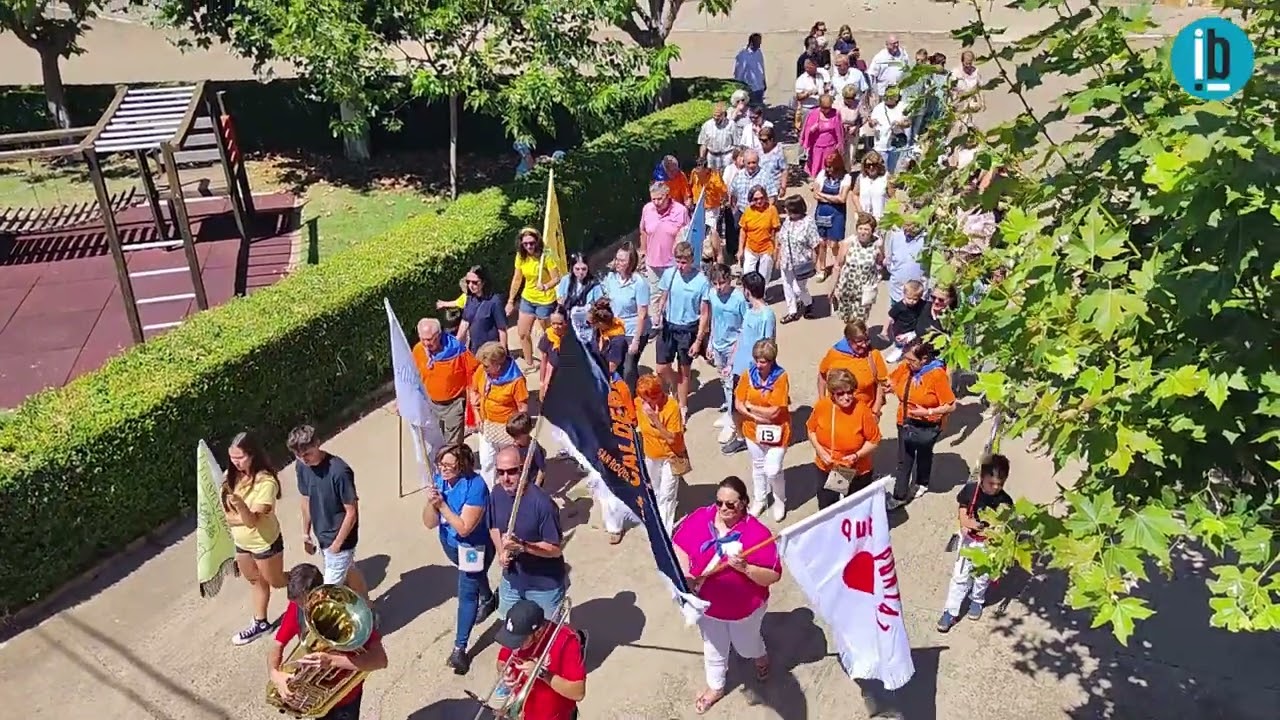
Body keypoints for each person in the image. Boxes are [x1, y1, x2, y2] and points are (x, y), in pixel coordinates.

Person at [672, 476, 782, 715]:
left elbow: (773, 575)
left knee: (746, 646)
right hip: (707, 606)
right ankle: (716, 687)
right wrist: (687, 576)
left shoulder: (757, 533)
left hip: (744, 609)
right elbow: (678, 545)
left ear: (743, 503)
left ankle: (759, 655)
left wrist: (745, 568)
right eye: (719, 502)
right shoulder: (701, 517)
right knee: (713, 647)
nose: (723, 508)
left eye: (730, 504)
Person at [269, 564, 388, 720]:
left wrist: (332, 660)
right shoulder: (297, 607)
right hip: (319, 699)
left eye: (305, 603)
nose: (304, 609)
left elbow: (380, 660)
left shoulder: (349, 614)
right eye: (299, 605)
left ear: (321, 593)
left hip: (345, 698)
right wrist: (275, 674)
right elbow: (277, 645)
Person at [422, 444, 496, 674]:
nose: (443, 469)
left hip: (473, 546)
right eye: (440, 464)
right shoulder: (440, 480)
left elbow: (464, 528)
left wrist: (442, 505)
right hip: (450, 544)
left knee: (467, 593)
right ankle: (489, 598)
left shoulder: (476, 486)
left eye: (449, 465)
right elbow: (429, 523)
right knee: (475, 578)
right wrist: (431, 503)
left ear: (462, 465)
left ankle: (459, 649)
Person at [488, 445, 568, 619]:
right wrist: (502, 552)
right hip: (512, 580)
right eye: (500, 472)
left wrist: (523, 546)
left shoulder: (543, 504)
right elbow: (494, 527)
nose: (505, 478)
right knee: (509, 625)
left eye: (511, 472)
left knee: (547, 631)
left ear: (523, 469)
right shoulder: (496, 494)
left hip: (543, 585)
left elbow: (555, 550)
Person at [289, 425, 369, 599]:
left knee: (327, 595)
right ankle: (369, 608)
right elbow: (306, 498)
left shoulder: (339, 471)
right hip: (323, 537)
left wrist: (336, 546)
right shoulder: (301, 466)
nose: (304, 459)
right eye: (298, 455)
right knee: (350, 571)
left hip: (341, 541)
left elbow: (351, 512)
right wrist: (306, 534)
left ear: (317, 443)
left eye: (307, 454)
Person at [223, 430, 286, 645]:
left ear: (252, 455)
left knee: (277, 581)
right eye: (232, 457)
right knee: (256, 581)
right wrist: (238, 516)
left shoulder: (266, 483)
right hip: (242, 543)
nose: (235, 462)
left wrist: (240, 508)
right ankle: (260, 622)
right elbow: (224, 515)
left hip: (264, 543)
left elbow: (251, 521)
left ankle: (308, 583)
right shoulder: (232, 477)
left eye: (240, 457)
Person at [939, 454, 1013, 631]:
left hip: (988, 545)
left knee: (982, 577)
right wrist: (964, 523)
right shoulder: (971, 491)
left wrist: (993, 533)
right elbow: (962, 507)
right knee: (959, 576)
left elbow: (1005, 526)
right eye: (991, 483)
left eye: (1000, 484)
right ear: (982, 478)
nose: (995, 488)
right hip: (969, 541)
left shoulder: (1005, 501)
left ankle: (977, 600)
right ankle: (951, 611)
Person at [887, 339, 957, 509]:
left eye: (912, 360)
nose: (907, 363)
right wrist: (888, 387)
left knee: (924, 453)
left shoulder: (936, 375)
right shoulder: (907, 366)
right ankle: (900, 495)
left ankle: (921, 482)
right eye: (906, 358)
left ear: (924, 359)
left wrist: (927, 412)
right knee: (905, 459)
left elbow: (950, 405)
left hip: (927, 425)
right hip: (905, 421)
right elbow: (892, 381)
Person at [494, 599, 588, 720]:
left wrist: (541, 673)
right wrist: (505, 672)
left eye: (520, 641)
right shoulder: (517, 635)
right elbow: (501, 661)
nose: (515, 646)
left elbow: (578, 693)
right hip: (525, 711)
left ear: (538, 632)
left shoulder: (567, 641)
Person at [807, 368, 883, 509]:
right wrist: (821, 452)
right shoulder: (822, 406)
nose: (847, 397)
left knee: (855, 507)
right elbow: (811, 430)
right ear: (832, 394)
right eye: (840, 393)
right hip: (828, 466)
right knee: (828, 506)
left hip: (855, 469)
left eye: (850, 392)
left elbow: (874, 440)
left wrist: (856, 455)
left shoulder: (862, 410)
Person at [734, 338, 792, 521]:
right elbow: (738, 403)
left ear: (771, 361)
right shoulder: (747, 375)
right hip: (753, 431)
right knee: (758, 466)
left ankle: (780, 500)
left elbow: (775, 411)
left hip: (777, 431)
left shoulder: (780, 377)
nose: (759, 365)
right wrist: (755, 416)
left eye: (763, 362)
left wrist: (751, 407)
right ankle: (759, 499)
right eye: (757, 360)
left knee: (773, 470)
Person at [652, 241, 711, 418]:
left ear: (692, 260)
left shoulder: (701, 281)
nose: (680, 266)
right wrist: (658, 312)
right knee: (661, 368)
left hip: (688, 329)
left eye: (684, 262)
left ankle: (682, 408)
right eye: (677, 261)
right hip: (668, 326)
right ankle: (675, 384)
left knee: (684, 371)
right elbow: (663, 297)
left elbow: (704, 313)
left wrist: (698, 340)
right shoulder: (670, 274)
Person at [722, 271, 776, 455]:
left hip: (755, 371)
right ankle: (741, 438)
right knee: (736, 407)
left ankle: (760, 438)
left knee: (756, 408)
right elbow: (742, 336)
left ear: (747, 291)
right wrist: (731, 362)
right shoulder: (749, 311)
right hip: (740, 368)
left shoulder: (766, 315)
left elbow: (768, 347)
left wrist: (762, 372)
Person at [470, 341, 531, 486]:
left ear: (498, 365)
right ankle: (489, 492)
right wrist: (476, 414)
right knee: (487, 462)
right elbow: (473, 390)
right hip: (486, 425)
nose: (483, 368)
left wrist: (519, 434)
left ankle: (509, 491)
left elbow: (522, 409)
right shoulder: (482, 371)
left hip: (507, 430)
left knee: (508, 465)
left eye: (487, 366)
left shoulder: (516, 381)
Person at [635, 373, 687, 533]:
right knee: (655, 491)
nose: (645, 403)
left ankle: (664, 532)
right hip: (651, 456)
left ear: (658, 395)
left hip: (671, 456)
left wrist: (655, 420)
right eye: (643, 399)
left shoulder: (671, 407)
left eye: (649, 399)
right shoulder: (638, 403)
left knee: (667, 495)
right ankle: (657, 519)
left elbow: (672, 439)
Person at [413, 318, 477, 446]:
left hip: (454, 404)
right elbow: (412, 374)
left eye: (429, 339)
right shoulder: (418, 350)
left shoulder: (457, 351)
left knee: (453, 445)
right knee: (436, 442)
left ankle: (457, 458)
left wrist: (474, 397)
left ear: (439, 335)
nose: (426, 343)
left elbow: (475, 372)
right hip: (430, 404)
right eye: (422, 339)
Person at [507, 228, 562, 373]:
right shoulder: (521, 256)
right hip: (527, 299)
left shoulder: (546, 255)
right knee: (523, 333)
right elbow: (517, 278)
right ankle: (530, 363)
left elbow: (556, 278)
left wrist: (545, 286)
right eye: (525, 244)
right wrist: (511, 300)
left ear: (537, 241)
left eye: (531, 243)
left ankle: (555, 361)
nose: (529, 246)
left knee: (550, 334)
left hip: (545, 301)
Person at [706, 263, 747, 443]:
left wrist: (735, 355)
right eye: (715, 283)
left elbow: (744, 327)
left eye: (722, 283)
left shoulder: (739, 299)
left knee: (732, 383)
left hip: (733, 347)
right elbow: (714, 320)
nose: (718, 287)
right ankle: (729, 412)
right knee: (724, 382)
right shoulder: (712, 295)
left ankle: (732, 421)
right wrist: (710, 343)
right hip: (718, 345)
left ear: (729, 280)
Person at [601, 243, 651, 392]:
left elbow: (642, 314)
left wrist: (636, 341)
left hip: (633, 331)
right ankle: (622, 396)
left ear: (631, 263)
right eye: (617, 259)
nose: (618, 263)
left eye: (622, 260)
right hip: (616, 330)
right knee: (617, 366)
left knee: (629, 368)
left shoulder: (639, 283)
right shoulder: (610, 278)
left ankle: (633, 398)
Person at [817, 319, 888, 414]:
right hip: (837, 412)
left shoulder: (873, 355)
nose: (864, 345)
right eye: (859, 341)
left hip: (865, 412)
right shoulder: (834, 354)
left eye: (866, 340)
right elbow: (822, 377)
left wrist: (875, 411)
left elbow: (881, 384)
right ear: (848, 340)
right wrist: (822, 402)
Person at [639, 181, 691, 299]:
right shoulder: (647, 209)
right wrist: (643, 250)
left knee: (674, 295)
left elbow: (688, 235)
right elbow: (643, 230)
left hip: (673, 264)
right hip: (652, 263)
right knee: (655, 296)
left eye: (659, 199)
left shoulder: (680, 211)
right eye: (653, 199)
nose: (656, 202)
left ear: (668, 196)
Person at [831, 211, 882, 324]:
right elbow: (837, 265)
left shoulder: (877, 244)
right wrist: (833, 288)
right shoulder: (848, 243)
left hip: (865, 290)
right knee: (847, 319)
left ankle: (859, 335)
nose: (863, 232)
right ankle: (850, 335)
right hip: (847, 288)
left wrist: (876, 279)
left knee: (860, 322)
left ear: (872, 231)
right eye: (860, 228)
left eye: (866, 229)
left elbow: (881, 262)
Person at [776, 194, 820, 322]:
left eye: (787, 208)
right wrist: (778, 258)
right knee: (787, 286)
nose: (785, 210)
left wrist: (815, 262)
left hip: (801, 262)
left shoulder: (808, 222)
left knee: (798, 288)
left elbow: (815, 244)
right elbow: (781, 240)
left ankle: (808, 302)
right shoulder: (788, 221)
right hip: (786, 260)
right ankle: (792, 311)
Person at [811, 152, 853, 281]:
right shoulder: (822, 174)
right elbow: (815, 194)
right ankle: (822, 269)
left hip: (837, 214)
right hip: (822, 212)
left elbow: (842, 198)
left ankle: (838, 265)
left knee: (834, 243)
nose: (828, 169)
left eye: (831, 167)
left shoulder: (846, 177)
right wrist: (832, 198)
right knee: (822, 242)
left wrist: (824, 196)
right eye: (827, 166)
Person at [457, 264, 508, 355]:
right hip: (474, 350)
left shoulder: (495, 301)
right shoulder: (470, 299)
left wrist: (503, 354)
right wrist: (456, 345)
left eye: (475, 282)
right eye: (468, 282)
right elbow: (464, 323)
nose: (470, 285)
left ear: (483, 282)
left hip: (491, 352)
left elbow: (502, 330)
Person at [556, 252, 604, 344]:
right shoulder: (566, 280)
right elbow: (560, 300)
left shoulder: (594, 283)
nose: (580, 272)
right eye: (577, 269)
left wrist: (591, 308)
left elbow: (600, 303)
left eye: (583, 269)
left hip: (587, 324)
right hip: (568, 322)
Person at [689, 156, 728, 263]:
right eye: (696, 170)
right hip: (698, 207)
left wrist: (724, 202)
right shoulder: (694, 173)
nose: (697, 173)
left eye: (700, 170)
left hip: (711, 209)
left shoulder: (715, 177)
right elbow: (691, 185)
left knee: (710, 232)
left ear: (706, 169)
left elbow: (724, 192)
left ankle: (712, 256)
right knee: (698, 231)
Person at [737, 184, 780, 280]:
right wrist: (740, 250)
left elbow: (777, 230)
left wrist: (776, 250)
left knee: (764, 277)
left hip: (767, 249)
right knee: (747, 275)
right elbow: (743, 230)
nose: (759, 201)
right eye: (756, 199)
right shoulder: (748, 211)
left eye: (761, 198)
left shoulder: (772, 210)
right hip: (750, 248)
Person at [799, 94, 845, 178]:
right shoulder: (813, 114)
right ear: (820, 105)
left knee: (829, 165)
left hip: (831, 146)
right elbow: (806, 130)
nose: (827, 110)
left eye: (829, 107)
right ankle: (816, 181)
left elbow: (839, 130)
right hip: (817, 146)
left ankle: (828, 181)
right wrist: (812, 130)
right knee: (816, 166)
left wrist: (840, 144)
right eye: (824, 108)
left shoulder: (835, 113)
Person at [884, 279, 926, 363]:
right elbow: (890, 317)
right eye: (909, 298)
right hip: (900, 330)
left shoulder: (921, 304)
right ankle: (898, 350)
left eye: (915, 299)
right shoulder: (899, 307)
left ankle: (910, 352)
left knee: (912, 343)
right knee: (900, 343)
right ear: (904, 294)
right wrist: (885, 330)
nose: (911, 301)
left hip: (913, 329)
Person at [507, 412, 549, 488]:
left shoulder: (534, 448)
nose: (514, 440)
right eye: (513, 437)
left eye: (517, 437)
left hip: (531, 483)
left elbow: (542, 469)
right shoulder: (515, 446)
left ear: (526, 433)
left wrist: (536, 486)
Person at [697, 102, 738, 174]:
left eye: (718, 116)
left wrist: (735, 158)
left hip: (727, 156)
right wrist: (702, 158)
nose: (716, 118)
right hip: (712, 156)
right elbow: (703, 143)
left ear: (724, 114)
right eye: (714, 115)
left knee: (725, 177)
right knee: (712, 177)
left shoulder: (731, 125)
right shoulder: (707, 125)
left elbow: (736, 144)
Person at [733, 33, 767, 105]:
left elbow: (762, 68)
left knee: (759, 107)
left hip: (759, 87)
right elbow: (739, 72)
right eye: (757, 42)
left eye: (760, 42)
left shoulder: (759, 52)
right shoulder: (743, 55)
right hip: (749, 88)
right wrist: (738, 87)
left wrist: (764, 81)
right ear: (751, 42)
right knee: (750, 108)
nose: (759, 44)